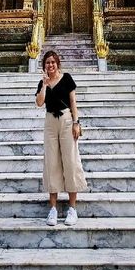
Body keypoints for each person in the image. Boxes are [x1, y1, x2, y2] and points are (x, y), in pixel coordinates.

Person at [35, 49, 88, 226]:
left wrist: (76, 122)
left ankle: (72, 209)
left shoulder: (66, 79)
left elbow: (73, 102)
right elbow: (39, 103)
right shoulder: (43, 82)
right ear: (44, 66)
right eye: (47, 63)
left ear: (57, 63)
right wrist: (44, 85)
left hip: (66, 120)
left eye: (52, 62)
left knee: (70, 162)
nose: (50, 65)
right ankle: (53, 209)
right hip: (50, 122)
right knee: (52, 163)